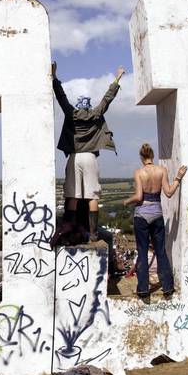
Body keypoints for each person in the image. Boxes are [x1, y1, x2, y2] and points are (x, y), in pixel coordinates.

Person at [53, 61, 125, 242]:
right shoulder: (95, 114)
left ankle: (68, 231)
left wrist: (54, 77)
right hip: (90, 157)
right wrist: (117, 79)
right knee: (93, 196)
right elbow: (107, 99)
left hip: (74, 156)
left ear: (78, 106)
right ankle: (93, 234)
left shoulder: (71, 113)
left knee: (73, 195)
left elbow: (61, 97)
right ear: (88, 105)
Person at [124, 143, 187, 299]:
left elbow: (138, 197)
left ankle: (144, 290)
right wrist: (178, 178)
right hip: (157, 214)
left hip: (142, 216)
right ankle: (167, 288)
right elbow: (169, 193)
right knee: (161, 251)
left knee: (143, 252)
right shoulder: (162, 170)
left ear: (141, 157)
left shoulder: (139, 172)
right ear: (152, 156)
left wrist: (127, 201)